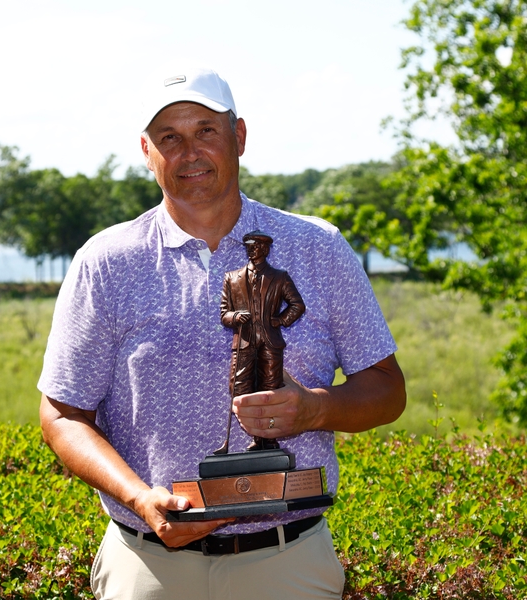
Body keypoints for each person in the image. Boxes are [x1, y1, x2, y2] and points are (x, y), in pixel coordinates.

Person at [38, 66, 406, 600]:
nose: (189, 152)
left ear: (239, 136)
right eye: (169, 137)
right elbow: (62, 415)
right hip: (148, 565)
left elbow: (388, 390)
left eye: (206, 131)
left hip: (287, 562)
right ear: (146, 151)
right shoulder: (107, 263)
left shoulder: (319, 248)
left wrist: (313, 409)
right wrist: (139, 497)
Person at [220, 230, 306, 451]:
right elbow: (224, 314)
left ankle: (265, 439)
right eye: (249, 246)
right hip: (244, 342)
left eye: (256, 246)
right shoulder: (232, 278)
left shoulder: (279, 277)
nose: (252, 249)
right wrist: (235, 317)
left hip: (270, 341)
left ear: (266, 249)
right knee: (239, 387)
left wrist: (280, 320)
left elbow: (297, 305)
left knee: (270, 389)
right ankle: (255, 434)